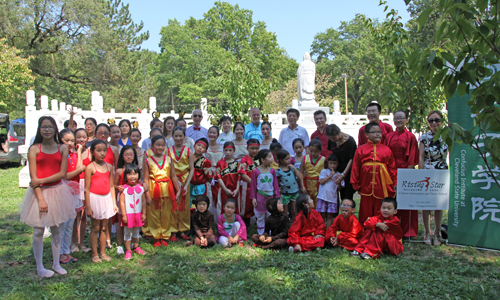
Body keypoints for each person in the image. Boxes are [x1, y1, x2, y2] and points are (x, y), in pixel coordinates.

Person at [20, 116, 76, 277]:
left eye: (50, 127)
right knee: (38, 230)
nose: (47, 130)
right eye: (44, 127)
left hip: (58, 190)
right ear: (39, 129)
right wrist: (41, 198)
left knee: (56, 228)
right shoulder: (34, 148)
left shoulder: (62, 148)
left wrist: (42, 180)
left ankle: (56, 263)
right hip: (39, 193)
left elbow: (62, 173)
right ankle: (40, 267)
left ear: (55, 129)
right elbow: (33, 178)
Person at [351, 123, 397, 225]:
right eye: (374, 132)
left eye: (379, 132)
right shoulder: (361, 149)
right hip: (366, 185)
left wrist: (395, 182)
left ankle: (379, 231)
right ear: (366, 135)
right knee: (365, 210)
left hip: (382, 185)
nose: (378, 134)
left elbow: (392, 168)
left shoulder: (387, 149)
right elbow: (355, 167)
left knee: (380, 209)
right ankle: (365, 231)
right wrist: (355, 182)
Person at [384, 110, 419, 239]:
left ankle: (409, 231)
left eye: (401, 118)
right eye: (396, 118)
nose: (398, 120)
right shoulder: (389, 136)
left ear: (406, 120)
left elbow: (412, 159)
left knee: (407, 202)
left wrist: (407, 177)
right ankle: (392, 228)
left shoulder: (410, 137)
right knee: (391, 202)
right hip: (390, 172)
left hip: (405, 172)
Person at [143, 135, 182, 247]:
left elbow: (173, 176)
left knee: (166, 213)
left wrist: (178, 190)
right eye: (158, 145)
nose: (160, 147)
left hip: (167, 189)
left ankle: (164, 236)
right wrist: (146, 195)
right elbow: (145, 178)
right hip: (153, 188)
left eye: (162, 145)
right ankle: (156, 236)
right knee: (154, 213)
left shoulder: (169, 159)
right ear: (152, 146)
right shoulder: (147, 160)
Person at [84, 139, 118, 263]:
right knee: (95, 227)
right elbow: (86, 189)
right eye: (98, 150)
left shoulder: (109, 166)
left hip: (106, 199)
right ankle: (94, 254)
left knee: (104, 227)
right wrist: (88, 206)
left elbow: (111, 186)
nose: (102, 153)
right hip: (94, 199)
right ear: (93, 152)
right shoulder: (90, 167)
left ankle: (102, 252)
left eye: (104, 150)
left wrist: (114, 203)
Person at [419, 110, 449, 246]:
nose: (434, 123)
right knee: (426, 204)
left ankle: (437, 233)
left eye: (436, 120)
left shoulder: (447, 136)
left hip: (442, 172)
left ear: (442, 121)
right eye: (431, 120)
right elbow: (421, 156)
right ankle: (427, 232)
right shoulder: (424, 138)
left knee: (439, 204)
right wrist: (419, 174)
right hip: (427, 173)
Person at [59, 129, 83, 264]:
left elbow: (80, 167)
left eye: (72, 140)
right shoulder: (60, 155)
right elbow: (64, 175)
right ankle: (60, 253)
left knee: (70, 224)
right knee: (62, 225)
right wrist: (79, 170)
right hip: (63, 191)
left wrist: (79, 152)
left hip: (75, 191)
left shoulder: (73, 154)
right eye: (66, 140)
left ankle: (67, 251)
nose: (70, 143)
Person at [169, 126, 195, 241]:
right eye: (176, 136)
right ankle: (173, 230)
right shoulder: (168, 151)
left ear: (184, 137)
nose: (178, 138)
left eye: (180, 136)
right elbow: (167, 167)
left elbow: (192, 169)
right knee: (173, 205)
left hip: (185, 180)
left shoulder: (188, 151)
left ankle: (183, 230)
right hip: (173, 180)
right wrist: (176, 181)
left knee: (184, 206)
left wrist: (186, 183)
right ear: (172, 137)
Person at [113, 145, 139, 255]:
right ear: (122, 156)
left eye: (131, 154)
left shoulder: (136, 169)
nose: (129, 157)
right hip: (122, 199)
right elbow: (114, 185)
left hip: (134, 199)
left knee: (133, 221)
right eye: (126, 154)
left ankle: (133, 243)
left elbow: (139, 182)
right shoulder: (119, 170)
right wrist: (118, 188)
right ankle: (120, 244)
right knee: (121, 222)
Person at [249, 149, 281, 235]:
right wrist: (253, 198)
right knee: (260, 216)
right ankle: (261, 234)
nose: (272, 159)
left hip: (270, 198)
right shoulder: (256, 171)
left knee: (269, 215)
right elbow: (253, 186)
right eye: (270, 157)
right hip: (260, 197)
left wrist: (277, 197)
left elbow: (275, 185)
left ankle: (269, 233)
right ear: (262, 160)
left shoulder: (272, 171)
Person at [119, 164, 147, 260]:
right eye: (129, 174)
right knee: (127, 233)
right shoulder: (124, 189)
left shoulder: (141, 188)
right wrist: (124, 215)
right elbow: (122, 203)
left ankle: (136, 246)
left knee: (136, 232)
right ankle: (128, 250)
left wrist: (144, 213)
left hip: (138, 214)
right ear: (125, 176)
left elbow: (143, 202)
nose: (132, 176)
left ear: (138, 175)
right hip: (128, 214)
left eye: (134, 174)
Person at [71, 128, 91, 253]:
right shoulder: (71, 152)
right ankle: (72, 243)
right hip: (74, 184)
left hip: (86, 185)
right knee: (74, 216)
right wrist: (78, 151)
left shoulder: (90, 152)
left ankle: (81, 243)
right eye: (78, 137)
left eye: (84, 137)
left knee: (83, 216)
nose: (81, 139)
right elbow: (78, 167)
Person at [326, 124, 357, 199]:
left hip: (347, 171)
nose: (332, 140)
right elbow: (331, 154)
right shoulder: (331, 140)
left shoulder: (350, 141)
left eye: (333, 138)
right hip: (335, 171)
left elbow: (352, 159)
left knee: (346, 196)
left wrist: (343, 174)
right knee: (333, 195)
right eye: (330, 139)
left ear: (339, 132)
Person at [214, 141, 241, 219]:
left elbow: (239, 177)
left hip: (234, 190)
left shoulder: (237, 164)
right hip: (223, 190)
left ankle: (235, 224)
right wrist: (225, 189)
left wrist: (237, 189)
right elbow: (218, 177)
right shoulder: (220, 163)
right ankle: (222, 224)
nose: (228, 152)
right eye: (226, 150)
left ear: (234, 151)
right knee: (224, 206)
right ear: (223, 150)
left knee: (234, 207)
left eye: (230, 150)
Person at [276, 149, 305, 221]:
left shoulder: (291, 169)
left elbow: (300, 176)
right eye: (286, 159)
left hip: (294, 192)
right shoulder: (278, 171)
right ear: (280, 160)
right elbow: (277, 183)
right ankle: (286, 226)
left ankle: (295, 225)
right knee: (285, 211)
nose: (289, 160)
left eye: (289, 158)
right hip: (285, 193)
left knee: (294, 210)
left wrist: (294, 168)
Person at [317, 154, 345, 228]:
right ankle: (321, 230)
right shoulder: (324, 171)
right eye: (331, 163)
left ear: (338, 164)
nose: (332, 165)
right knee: (322, 215)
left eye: (335, 163)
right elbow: (321, 182)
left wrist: (338, 182)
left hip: (332, 199)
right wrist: (330, 176)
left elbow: (339, 189)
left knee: (330, 216)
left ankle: (328, 231)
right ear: (328, 163)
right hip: (322, 197)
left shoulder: (339, 175)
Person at [239, 139, 261, 225]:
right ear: (247, 148)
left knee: (259, 205)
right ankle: (246, 226)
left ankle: (258, 225)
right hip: (247, 186)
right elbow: (242, 174)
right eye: (252, 148)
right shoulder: (244, 160)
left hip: (260, 186)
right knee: (247, 206)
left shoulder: (261, 159)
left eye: (257, 148)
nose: (254, 150)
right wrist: (253, 183)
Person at [300, 139, 325, 208]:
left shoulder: (324, 160)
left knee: (318, 204)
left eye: (316, 152)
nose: (313, 153)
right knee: (308, 203)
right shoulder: (305, 158)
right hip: (307, 185)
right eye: (311, 151)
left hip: (318, 186)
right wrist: (302, 186)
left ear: (320, 150)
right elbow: (301, 173)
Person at [190, 138, 213, 210]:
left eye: (203, 147)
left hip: (200, 187)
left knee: (199, 206)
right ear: (194, 146)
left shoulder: (206, 161)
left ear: (205, 151)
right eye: (198, 145)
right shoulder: (188, 157)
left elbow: (209, 176)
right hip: (189, 185)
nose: (200, 148)